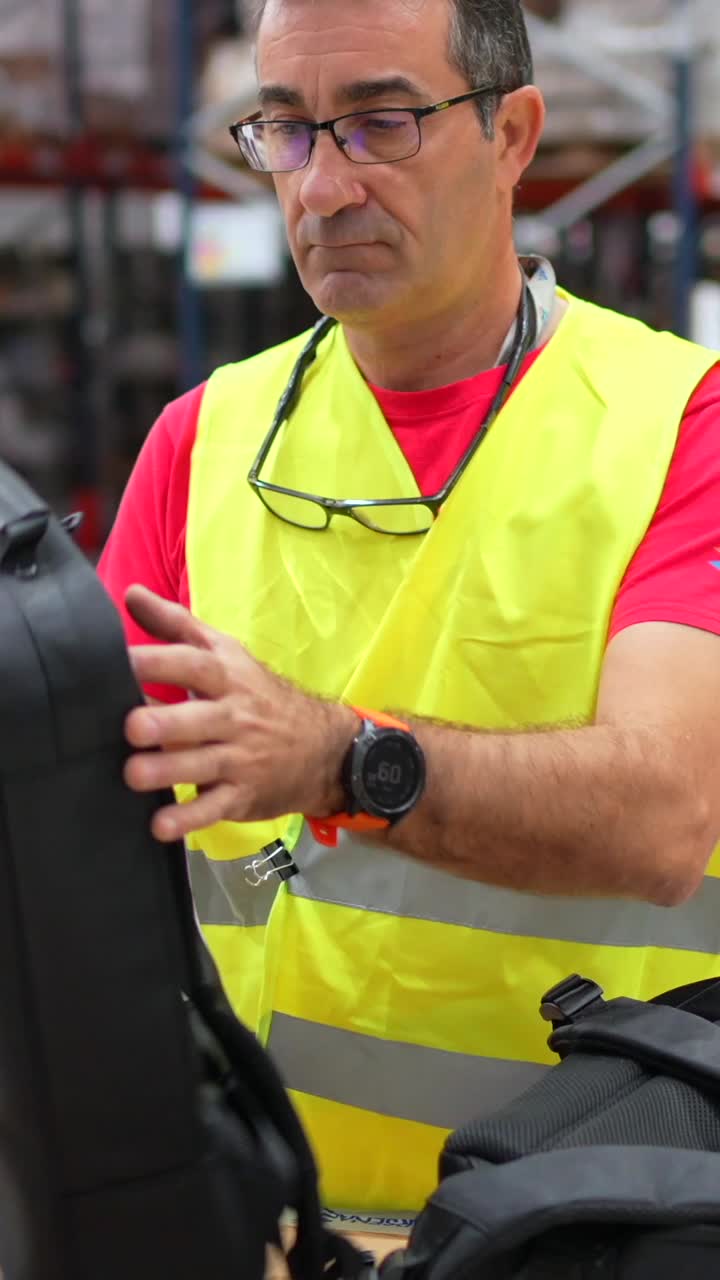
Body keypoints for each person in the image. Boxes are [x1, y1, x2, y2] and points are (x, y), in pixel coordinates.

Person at [99, 0, 720, 1222]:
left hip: (591, 1219)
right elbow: (85, 817)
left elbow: (664, 817)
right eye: (286, 130)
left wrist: (342, 759)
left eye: (381, 124)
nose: (323, 189)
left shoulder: (676, 425)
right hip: (275, 1215)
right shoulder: (202, 440)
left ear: (512, 133)